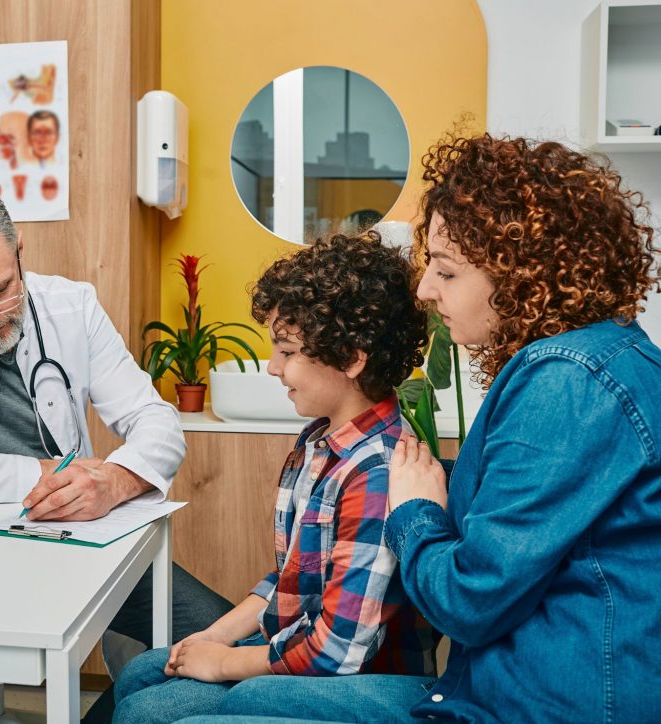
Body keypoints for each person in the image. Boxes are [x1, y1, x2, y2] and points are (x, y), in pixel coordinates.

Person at [179, 134, 661, 723]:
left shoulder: (568, 382)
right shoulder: (601, 362)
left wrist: (411, 512)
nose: (426, 288)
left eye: (447, 271)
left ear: (522, 272)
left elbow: (468, 599)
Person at [0, 181, 231, 724]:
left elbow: (158, 423)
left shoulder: (72, 306)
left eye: (0, 291)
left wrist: (116, 482)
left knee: (222, 639)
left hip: (81, 541)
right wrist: (42, 474)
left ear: (20, 253)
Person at [112, 232, 437, 723]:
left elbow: (337, 650)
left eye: (286, 352)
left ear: (352, 358)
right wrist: (216, 635)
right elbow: (290, 580)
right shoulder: (317, 443)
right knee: (142, 673)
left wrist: (225, 662)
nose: (271, 367)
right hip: (293, 645)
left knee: (148, 712)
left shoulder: (376, 472)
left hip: (348, 682)